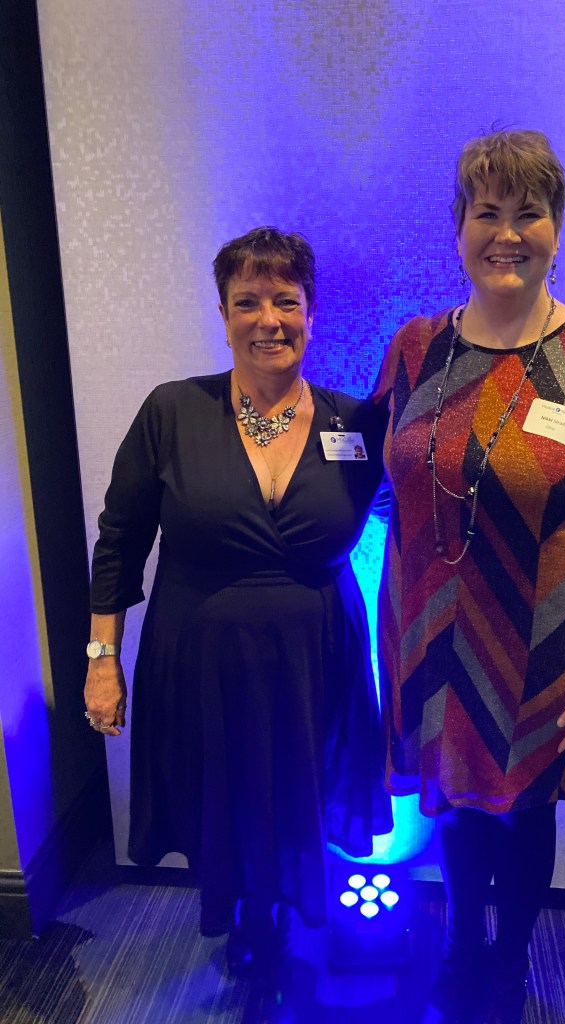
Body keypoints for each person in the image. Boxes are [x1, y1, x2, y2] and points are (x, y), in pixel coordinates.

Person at [372, 130, 565, 1024]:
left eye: (528, 213)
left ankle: (508, 960)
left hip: (546, 643)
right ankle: (463, 946)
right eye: (487, 212)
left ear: (557, 229)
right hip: (429, 632)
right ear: (459, 228)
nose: (506, 234)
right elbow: (378, 470)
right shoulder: (417, 348)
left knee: (523, 809)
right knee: (458, 806)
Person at [84, 227, 392, 1001]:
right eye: (247, 302)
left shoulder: (356, 423)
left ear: (312, 313)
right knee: (227, 795)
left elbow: (420, 515)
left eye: (286, 300)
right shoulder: (172, 411)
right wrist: (101, 661)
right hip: (202, 655)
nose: (268, 320)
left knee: (295, 792)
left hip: (316, 655)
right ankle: (250, 919)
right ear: (222, 315)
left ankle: (277, 918)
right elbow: (119, 540)